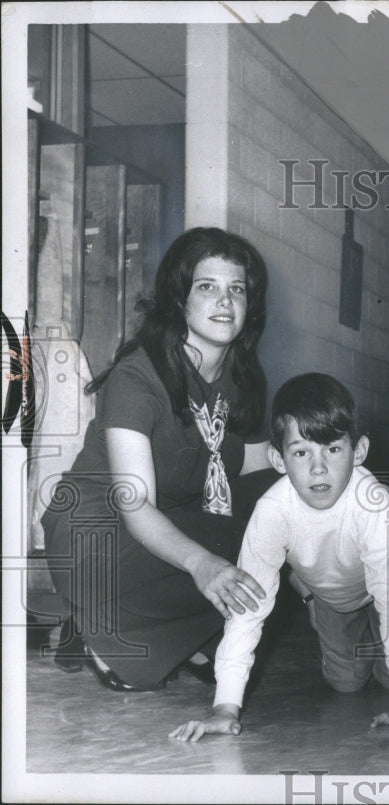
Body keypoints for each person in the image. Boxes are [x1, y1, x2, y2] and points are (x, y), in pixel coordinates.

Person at [42, 227, 277, 692]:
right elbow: (135, 505)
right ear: (179, 300)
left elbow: (251, 461)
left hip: (163, 527)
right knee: (232, 547)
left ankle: (125, 630)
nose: (225, 301)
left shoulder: (239, 376)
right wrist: (203, 563)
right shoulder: (139, 375)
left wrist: (328, 476)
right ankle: (102, 630)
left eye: (237, 289)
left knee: (276, 519)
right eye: (207, 287)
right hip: (92, 536)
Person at [170, 373, 389, 741]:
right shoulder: (272, 512)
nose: (318, 467)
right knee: (347, 684)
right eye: (301, 452)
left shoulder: (370, 502)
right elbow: (247, 609)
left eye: (332, 449)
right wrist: (224, 707)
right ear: (278, 459)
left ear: (358, 452)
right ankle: (372, 643)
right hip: (335, 597)